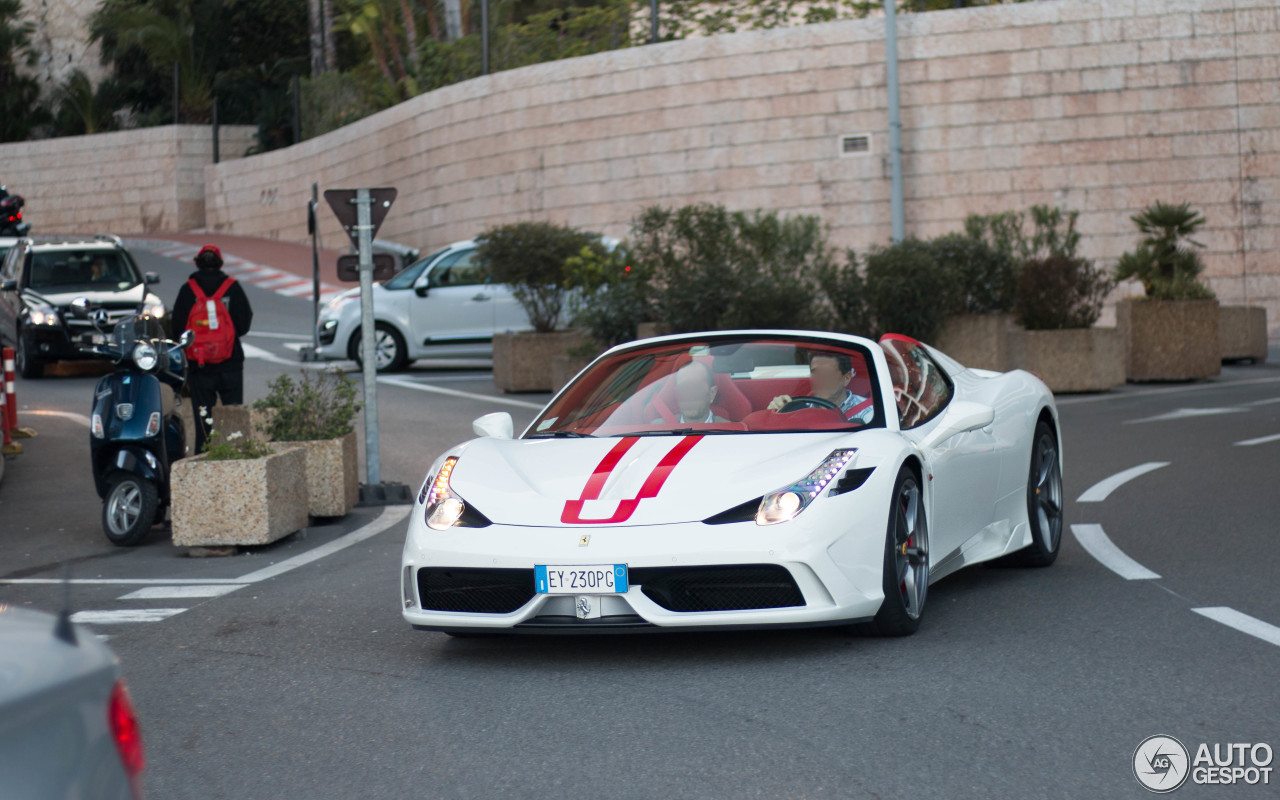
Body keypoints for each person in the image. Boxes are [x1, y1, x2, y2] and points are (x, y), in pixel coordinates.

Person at [171, 244, 253, 451]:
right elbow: (244, 324)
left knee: (203, 420)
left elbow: (178, 329)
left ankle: (204, 456)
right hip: (231, 363)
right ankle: (236, 455)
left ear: (198, 263)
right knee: (234, 417)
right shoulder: (232, 288)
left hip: (200, 367)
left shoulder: (188, 290)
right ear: (220, 263)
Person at [767, 352, 874, 424]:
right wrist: (773, 412)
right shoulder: (795, 407)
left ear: (846, 378)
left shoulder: (869, 414)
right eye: (816, 373)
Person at [654, 361, 729, 424]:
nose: (689, 396)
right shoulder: (657, 429)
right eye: (683, 388)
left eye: (696, 388)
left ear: (712, 393)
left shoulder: (730, 432)